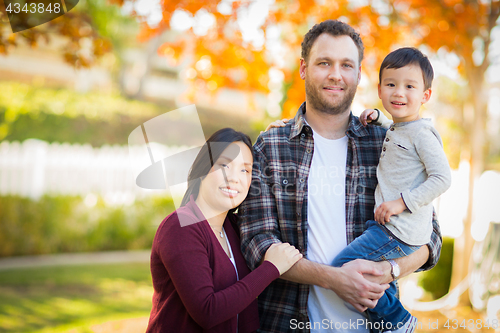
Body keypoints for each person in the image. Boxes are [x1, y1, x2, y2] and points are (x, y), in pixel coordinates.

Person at [239, 20, 443, 333]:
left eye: (346, 65)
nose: (336, 74)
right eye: (324, 63)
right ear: (304, 68)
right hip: (288, 323)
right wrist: (336, 279)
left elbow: (430, 236)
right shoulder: (272, 145)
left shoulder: (385, 141)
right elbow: (257, 242)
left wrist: (390, 269)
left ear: (359, 74)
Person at [328, 47, 452, 332]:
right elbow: (398, 136)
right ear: (380, 89)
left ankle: (398, 320)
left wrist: (401, 203)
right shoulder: (399, 127)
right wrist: (378, 119)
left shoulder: (422, 133)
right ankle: (388, 327)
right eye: (391, 84)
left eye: (409, 86)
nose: (399, 92)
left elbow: (442, 178)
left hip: (397, 229)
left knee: (343, 267)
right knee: (381, 279)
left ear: (425, 96)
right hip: (389, 225)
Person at [146, 128, 302, 333]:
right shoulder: (180, 226)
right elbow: (208, 312)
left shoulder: (235, 227)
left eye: (245, 170)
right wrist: (271, 268)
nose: (234, 178)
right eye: (224, 165)